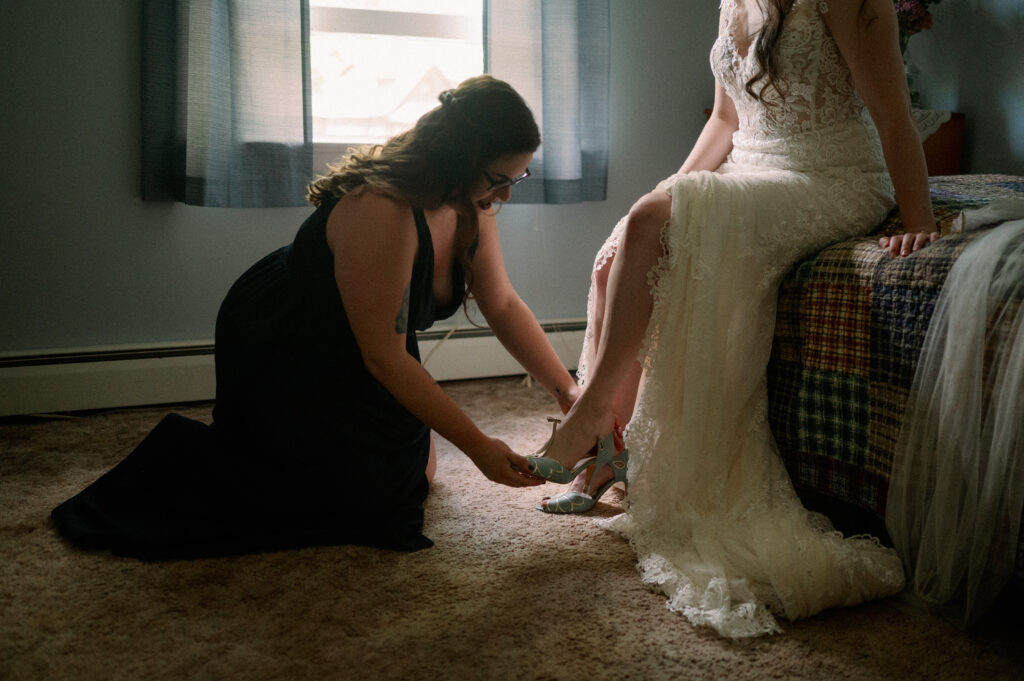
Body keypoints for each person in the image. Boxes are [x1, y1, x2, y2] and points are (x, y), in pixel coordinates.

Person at [525, 0, 938, 637]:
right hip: (752, 164)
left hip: (831, 176)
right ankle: (610, 453)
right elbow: (725, 119)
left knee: (651, 230)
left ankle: (587, 416)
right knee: (619, 258)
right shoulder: (733, 2)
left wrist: (919, 220)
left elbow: (891, 114)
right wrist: (659, 202)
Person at [52, 75, 577, 560]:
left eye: (518, 177)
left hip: (369, 338)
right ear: (460, 156)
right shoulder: (383, 208)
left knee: (413, 474)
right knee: (356, 501)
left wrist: (566, 390)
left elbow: (502, 303)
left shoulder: (473, 204)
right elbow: (385, 357)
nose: (506, 193)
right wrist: (481, 447)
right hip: (290, 336)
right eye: (498, 177)